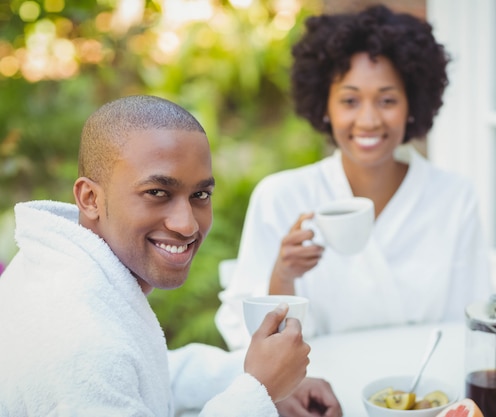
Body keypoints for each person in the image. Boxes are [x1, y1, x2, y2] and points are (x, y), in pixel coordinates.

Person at [0, 95, 342, 417]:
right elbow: (108, 364)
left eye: (200, 194)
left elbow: (148, 374)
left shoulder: (63, 262)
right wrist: (259, 390)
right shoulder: (80, 341)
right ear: (89, 197)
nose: (187, 224)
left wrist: (257, 379)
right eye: (157, 192)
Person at [216, 4, 492, 351]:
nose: (368, 120)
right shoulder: (282, 197)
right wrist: (283, 274)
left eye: (387, 100)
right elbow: (248, 341)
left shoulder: (454, 198)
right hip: (319, 395)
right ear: (325, 106)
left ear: (412, 105)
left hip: (422, 395)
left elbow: (472, 324)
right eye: (349, 100)